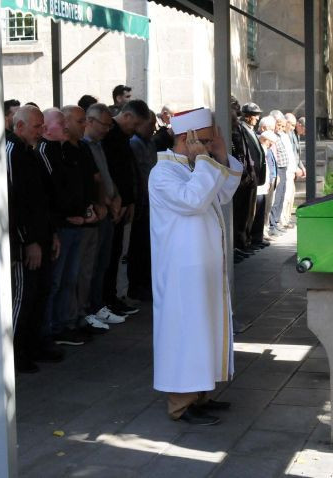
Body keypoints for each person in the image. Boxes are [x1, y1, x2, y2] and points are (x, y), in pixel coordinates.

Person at [149, 108, 241, 425]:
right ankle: (181, 404)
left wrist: (219, 156)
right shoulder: (162, 173)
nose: (208, 144)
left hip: (202, 269)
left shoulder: (193, 167)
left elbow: (224, 192)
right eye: (203, 140)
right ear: (187, 138)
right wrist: (204, 163)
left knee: (205, 331)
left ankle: (201, 394)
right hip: (181, 274)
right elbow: (193, 201)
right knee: (186, 333)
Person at [38, 107, 99, 346]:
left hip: (75, 223)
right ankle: (50, 330)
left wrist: (86, 209)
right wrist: (63, 218)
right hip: (62, 226)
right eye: (60, 122)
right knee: (56, 280)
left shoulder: (65, 149)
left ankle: (64, 323)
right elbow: (50, 193)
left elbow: (77, 185)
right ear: (45, 128)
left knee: (69, 278)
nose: (65, 126)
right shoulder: (44, 151)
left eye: (66, 122)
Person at [5, 105, 50, 372]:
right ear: (19, 127)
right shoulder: (12, 153)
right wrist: (29, 240)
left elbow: (41, 198)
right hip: (25, 241)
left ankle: (32, 344)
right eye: (36, 127)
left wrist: (49, 234)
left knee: (38, 294)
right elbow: (15, 203)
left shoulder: (30, 152)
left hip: (40, 235)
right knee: (22, 297)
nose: (41, 132)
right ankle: (15, 351)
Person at [80, 103, 127, 331]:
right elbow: (95, 180)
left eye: (110, 125)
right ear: (90, 121)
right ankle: (88, 308)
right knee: (91, 265)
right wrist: (105, 203)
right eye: (104, 125)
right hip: (97, 212)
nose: (107, 130)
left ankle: (98, 305)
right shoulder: (83, 146)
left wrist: (116, 197)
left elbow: (108, 176)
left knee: (103, 263)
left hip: (108, 210)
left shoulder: (100, 145)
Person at [102, 100, 148, 315]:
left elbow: (128, 172)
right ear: (127, 116)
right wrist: (116, 199)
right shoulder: (109, 135)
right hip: (112, 205)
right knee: (109, 257)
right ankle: (106, 300)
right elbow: (109, 173)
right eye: (136, 124)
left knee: (117, 253)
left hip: (123, 205)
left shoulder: (124, 138)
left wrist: (129, 202)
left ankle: (113, 297)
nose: (136, 129)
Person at [127, 110, 157, 300]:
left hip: (150, 203)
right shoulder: (134, 144)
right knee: (137, 248)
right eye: (150, 124)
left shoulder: (149, 143)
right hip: (141, 203)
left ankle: (145, 283)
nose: (153, 128)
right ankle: (136, 285)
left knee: (146, 247)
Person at [240, 103, 268, 249]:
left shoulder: (250, 130)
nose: (258, 118)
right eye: (255, 115)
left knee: (252, 210)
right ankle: (245, 241)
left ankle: (252, 239)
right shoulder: (242, 130)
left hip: (255, 176)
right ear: (247, 116)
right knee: (246, 212)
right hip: (248, 177)